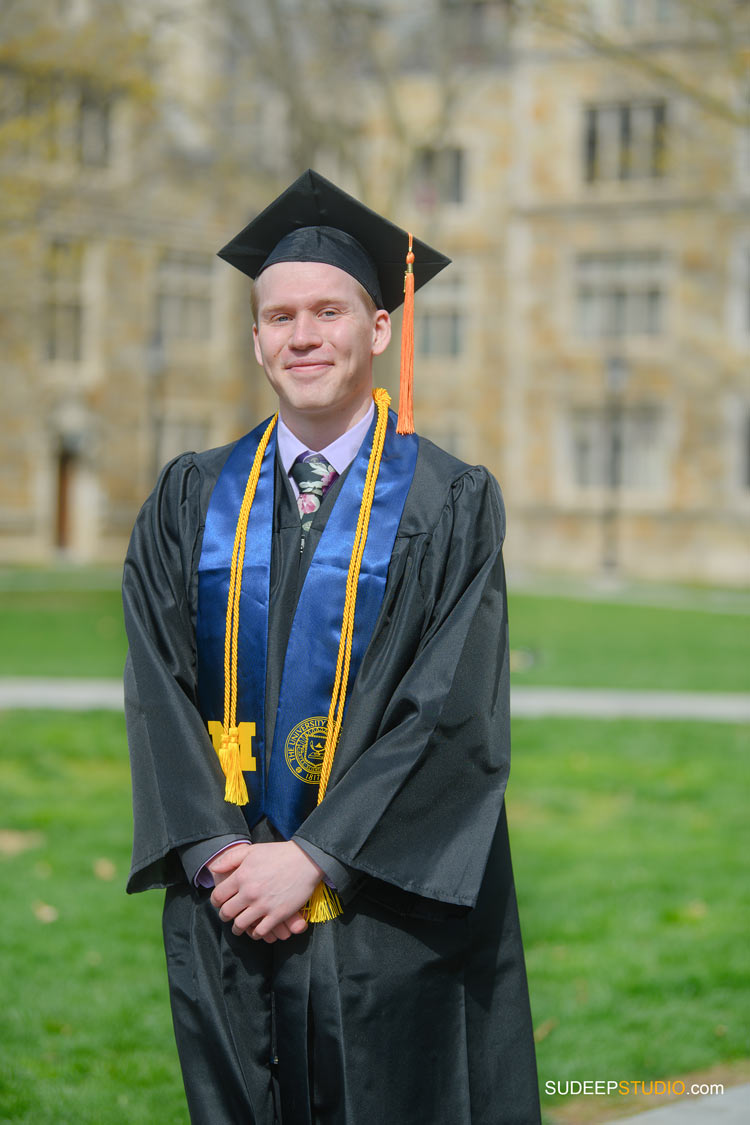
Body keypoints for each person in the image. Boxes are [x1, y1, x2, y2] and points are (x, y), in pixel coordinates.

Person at [123, 169, 540, 1125]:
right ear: (256, 338)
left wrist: (317, 858)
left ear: (379, 327)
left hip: (385, 914)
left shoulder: (451, 503)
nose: (301, 335)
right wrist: (219, 855)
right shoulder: (190, 499)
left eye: (327, 310)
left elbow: (450, 708)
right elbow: (157, 685)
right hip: (228, 901)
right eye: (278, 316)